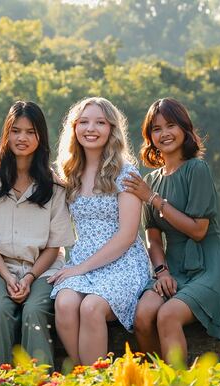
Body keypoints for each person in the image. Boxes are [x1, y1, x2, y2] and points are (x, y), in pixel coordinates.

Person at [124, 98, 220, 363]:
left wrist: (153, 199)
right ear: (149, 136)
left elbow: (198, 230)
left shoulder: (196, 169)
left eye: (171, 125)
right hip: (174, 269)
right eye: (156, 129)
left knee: (168, 314)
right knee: (142, 316)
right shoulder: (151, 180)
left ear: (184, 129)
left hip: (209, 266)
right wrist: (161, 271)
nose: (164, 133)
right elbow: (152, 236)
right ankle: (155, 384)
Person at [0, 101, 74, 366]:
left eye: (30, 132)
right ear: (7, 134)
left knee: (35, 311)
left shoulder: (55, 187)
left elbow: (54, 248)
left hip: (43, 269)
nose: (22, 138)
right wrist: (7, 276)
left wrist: (29, 277)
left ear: (40, 137)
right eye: (16, 131)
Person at [48, 97, 151, 366]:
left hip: (122, 262)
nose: (90, 128)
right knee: (65, 304)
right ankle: (82, 378)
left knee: (91, 307)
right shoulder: (70, 172)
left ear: (111, 129)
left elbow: (127, 236)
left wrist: (79, 269)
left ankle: (96, 384)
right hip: (83, 258)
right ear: (74, 128)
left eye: (100, 122)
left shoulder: (125, 173)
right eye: (83, 122)